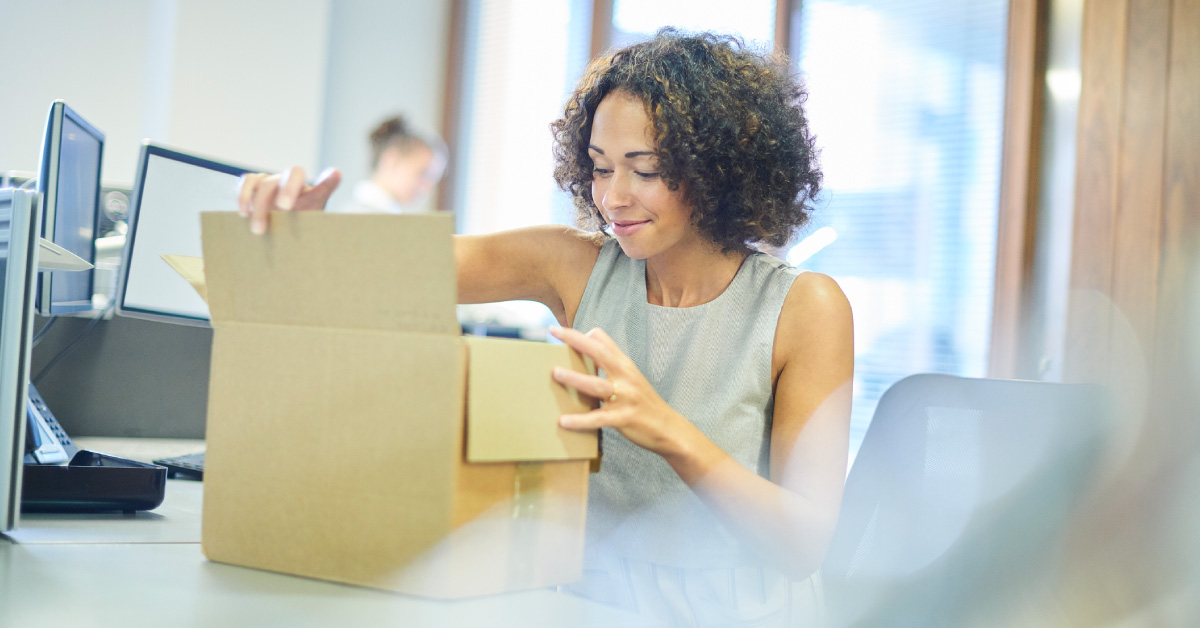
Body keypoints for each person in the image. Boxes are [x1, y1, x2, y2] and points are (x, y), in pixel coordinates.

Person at [238, 29, 852, 626]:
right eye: (600, 167)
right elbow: (393, 268)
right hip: (587, 597)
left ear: (719, 169)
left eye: (644, 169)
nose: (613, 197)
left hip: (733, 610)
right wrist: (306, 233)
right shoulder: (572, 265)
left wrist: (665, 429)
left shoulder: (805, 308)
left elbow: (803, 544)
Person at [330, 114, 448, 214]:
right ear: (392, 160)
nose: (428, 188)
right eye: (423, 174)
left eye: (434, 180)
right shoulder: (359, 217)